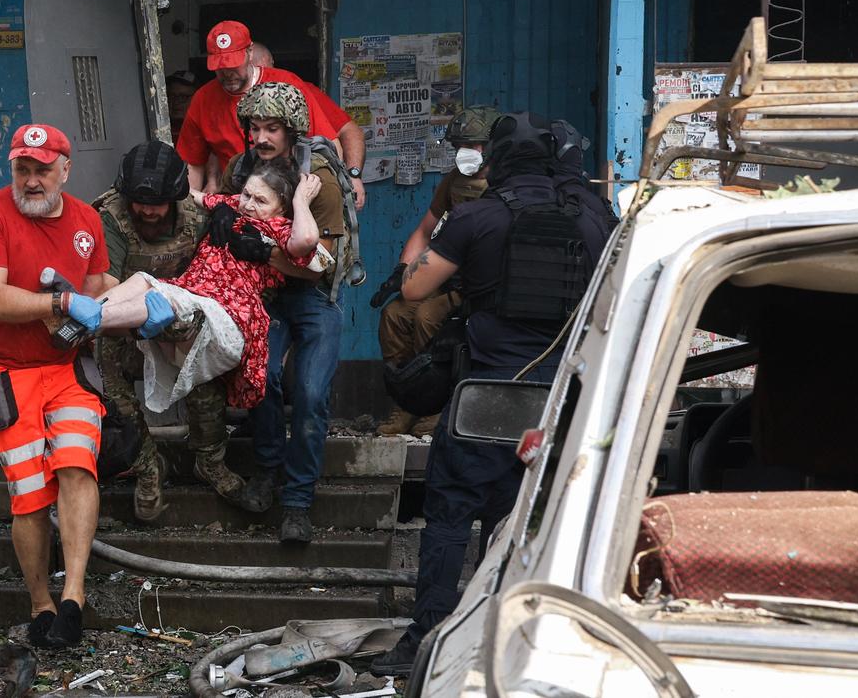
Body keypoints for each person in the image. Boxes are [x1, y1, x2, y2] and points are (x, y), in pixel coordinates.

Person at [369, 112, 616, 675]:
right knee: (529, 519)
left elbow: (413, 288)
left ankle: (426, 641)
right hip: (561, 399)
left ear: (496, 163)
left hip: (486, 394)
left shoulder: (476, 217)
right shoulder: (592, 217)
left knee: (451, 516)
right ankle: (512, 636)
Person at [0, 123, 118, 650]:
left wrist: (156, 297)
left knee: (76, 463)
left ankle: (72, 599)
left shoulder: (88, 220)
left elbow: (96, 292)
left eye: (42, 170)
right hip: (5, 371)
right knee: (28, 496)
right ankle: (39, 603)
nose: (31, 179)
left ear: (65, 171)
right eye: (22, 168)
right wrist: (59, 304)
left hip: (69, 370)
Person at [67, 159, 321, 415]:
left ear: (281, 208)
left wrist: (301, 200)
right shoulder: (232, 205)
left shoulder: (278, 228)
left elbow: (307, 240)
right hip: (193, 300)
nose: (249, 205)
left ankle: (88, 320)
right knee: (143, 280)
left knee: (164, 301)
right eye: (246, 194)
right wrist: (130, 187)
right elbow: (188, 192)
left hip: (227, 316)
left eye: (261, 201)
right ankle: (84, 314)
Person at [213, 82, 353, 544]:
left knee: (311, 394)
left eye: (272, 128)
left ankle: (297, 501)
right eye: (253, 127)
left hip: (314, 296)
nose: (261, 137)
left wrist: (259, 250)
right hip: (263, 296)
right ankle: (269, 470)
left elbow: (319, 266)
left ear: (291, 131)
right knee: (262, 379)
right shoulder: (241, 171)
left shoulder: (321, 178)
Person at [93, 140, 247, 520]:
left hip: (182, 319)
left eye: (157, 202)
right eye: (139, 201)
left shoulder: (197, 216)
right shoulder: (111, 215)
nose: (146, 210)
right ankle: (148, 467)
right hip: (128, 325)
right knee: (112, 381)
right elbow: (105, 290)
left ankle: (209, 460)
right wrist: (141, 318)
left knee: (204, 373)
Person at [369, 106, 503, 437]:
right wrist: (403, 270)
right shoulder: (453, 183)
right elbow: (425, 230)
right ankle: (407, 402)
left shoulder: (505, 185)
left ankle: (441, 404)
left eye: (473, 145)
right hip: (443, 277)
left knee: (428, 316)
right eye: (460, 146)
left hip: (478, 286)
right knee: (395, 315)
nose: (465, 153)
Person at [178, 20, 367, 207]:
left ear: (249, 52)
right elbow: (192, 163)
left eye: (233, 65)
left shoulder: (286, 85)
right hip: (240, 199)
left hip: (293, 195)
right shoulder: (203, 99)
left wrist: (337, 193)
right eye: (220, 67)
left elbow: (330, 144)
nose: (227, 73)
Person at [249, 41, 367, 209]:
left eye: (268, 71)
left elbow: (349, 131)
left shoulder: (298, 92)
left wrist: (352, 176)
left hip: (302, 188)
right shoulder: (234, 100)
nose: (267, 79)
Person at [166, 69, 198, 136]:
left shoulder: (204, 132)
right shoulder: (160, 129)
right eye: (172, 96)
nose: (176, 102)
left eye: (183, 97)